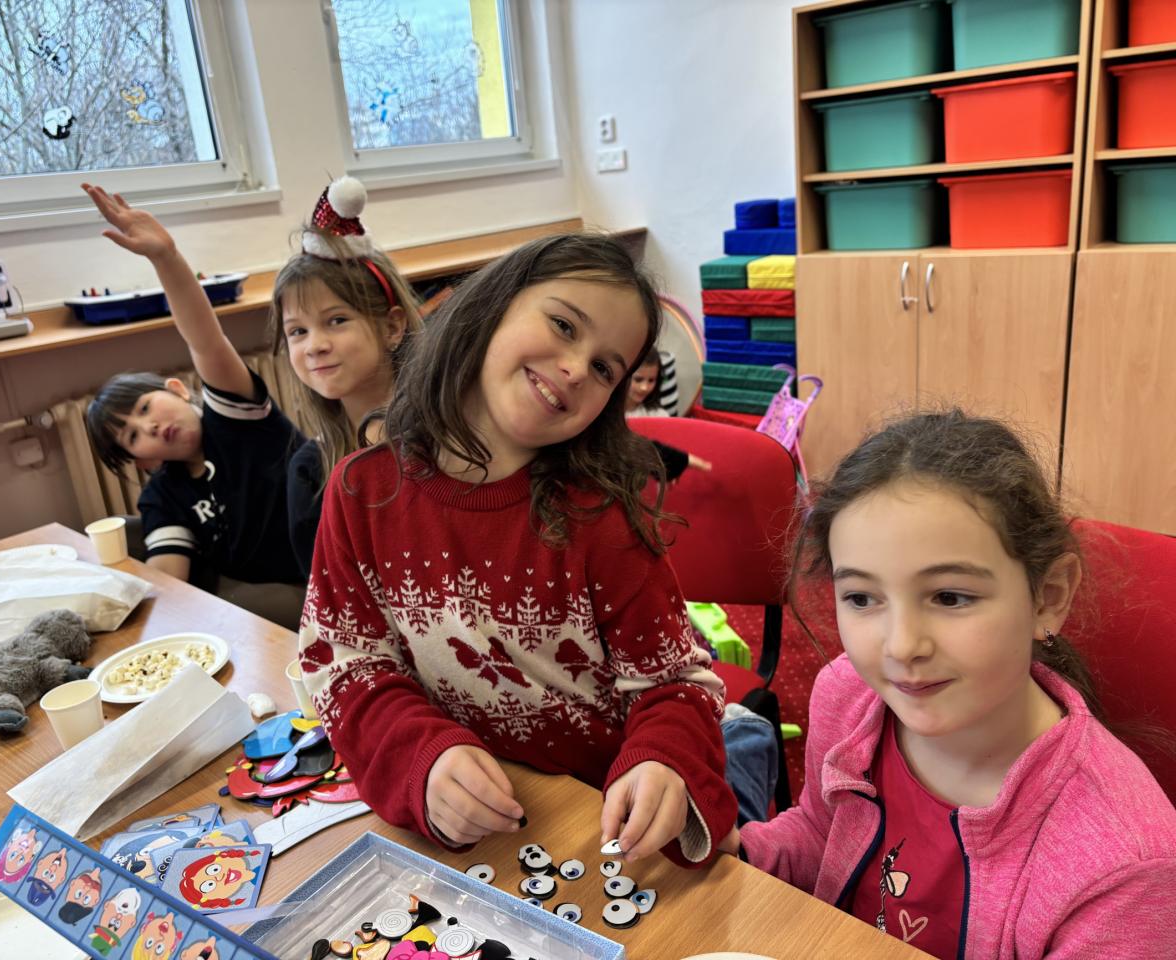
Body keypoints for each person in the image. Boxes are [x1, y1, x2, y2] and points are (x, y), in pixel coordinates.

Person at [299, 233, 736, 866]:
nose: (576, 368)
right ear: (492, 308)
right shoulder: (361, 492)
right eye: (563, 325)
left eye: (605, 369)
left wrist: (665, 759)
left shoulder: (602, 518)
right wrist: (420, 756)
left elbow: (676, 683)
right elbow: (344, 661)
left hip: (601, 822)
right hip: (477, 829)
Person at [730, 410, 1176, 958]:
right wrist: (739, 853)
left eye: (949, 597)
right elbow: (822, 834)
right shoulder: (849, 693)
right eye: (862, 598)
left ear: (1048, 596)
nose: (901, 647)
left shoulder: (1127, 869)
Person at [83, 184, 304, 601]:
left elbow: (206, 339)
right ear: (144, 461)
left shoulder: (235, 420)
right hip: (256, 591)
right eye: (133, 435)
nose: (149, 425)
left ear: (178, 389)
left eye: (145, 408)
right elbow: (168, 577)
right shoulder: (163, 494)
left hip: (321, 569)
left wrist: (165, 258)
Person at [275, 177, 423, 577]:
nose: (314, 346)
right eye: (297, 331)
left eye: (336, 320)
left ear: (392, 327)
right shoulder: (311, 470)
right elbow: (327, 593)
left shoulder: (446, 431)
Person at [625, 347, 711, 480]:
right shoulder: (605, 413)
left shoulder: (659, 416)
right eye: (638, 379)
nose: (644, 387)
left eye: (651, 380)